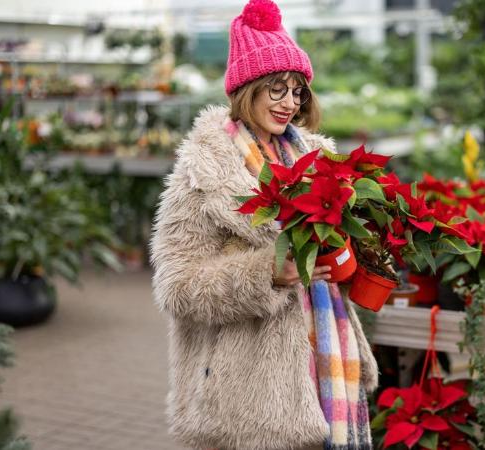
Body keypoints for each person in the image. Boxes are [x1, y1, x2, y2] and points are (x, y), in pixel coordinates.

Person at [150, 0, 378, 449]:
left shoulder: (316, 158)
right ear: (247, 88)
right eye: (276, 88)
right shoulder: (204, 169)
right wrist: (266, 274)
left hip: (326, 360)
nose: (289, 102)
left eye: (297, 91)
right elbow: (176, 285)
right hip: (252, 392)